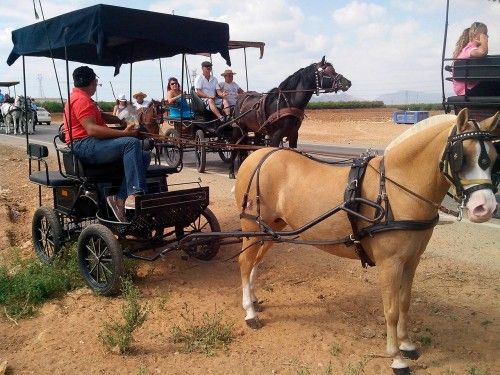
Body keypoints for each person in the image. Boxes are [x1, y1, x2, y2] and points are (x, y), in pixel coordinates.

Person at [63, 66, 150, 222]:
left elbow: (100, 116)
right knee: (131, 143)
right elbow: (92, 129)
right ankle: (134, 194)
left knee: (144, 156)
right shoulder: (81, 99)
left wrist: (121, 120)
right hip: (84, 145)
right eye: (95, 81)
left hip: (91, 143)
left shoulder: (81, 97)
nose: (96, 84)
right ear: (91, 82)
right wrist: (124, 134)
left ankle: (119, 198)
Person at [453, 22, 500, 96]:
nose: (487, 36)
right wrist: (484, 41)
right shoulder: (469, 49)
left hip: (470, 88)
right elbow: (482, 52)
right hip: (467, 90)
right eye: (484, 33)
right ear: (475, 35)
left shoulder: (470, 49)